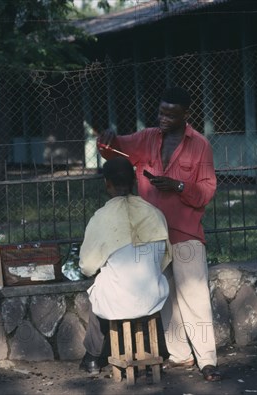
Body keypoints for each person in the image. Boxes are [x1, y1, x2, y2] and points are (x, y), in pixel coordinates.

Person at [96, 87, 221, 381]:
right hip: (152, 234)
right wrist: (107, 139)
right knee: (165, 296)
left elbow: (206, 191)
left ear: (186, 115)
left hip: (186, 232)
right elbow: (113, 152)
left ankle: (207, 360)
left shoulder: (200, 145)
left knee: (195, 297)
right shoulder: (147, 138)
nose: (163, 118)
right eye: (161, 112)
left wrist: (178, 186)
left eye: (171, 114)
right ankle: (180, 355)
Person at [78, 157, 172, 375]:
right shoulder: (154, 213)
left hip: (116, 303)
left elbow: (86, 266)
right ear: (134, 182)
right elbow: (166, 258)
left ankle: (92, 358)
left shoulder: (101, 218)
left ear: (107, 183)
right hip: (153, 298)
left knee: (98, 286)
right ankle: (149, 351)